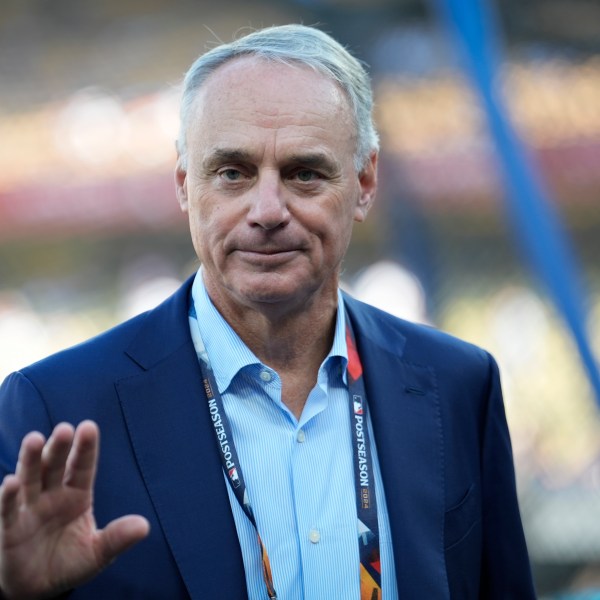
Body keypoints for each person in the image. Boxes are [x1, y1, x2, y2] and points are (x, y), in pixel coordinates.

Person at [0, 24, 536, 600]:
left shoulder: (457, 386)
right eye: (233, 173)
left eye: (305, 173)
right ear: (186, 185)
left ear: (364, 183)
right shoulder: (57, 407)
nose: (267, 210)